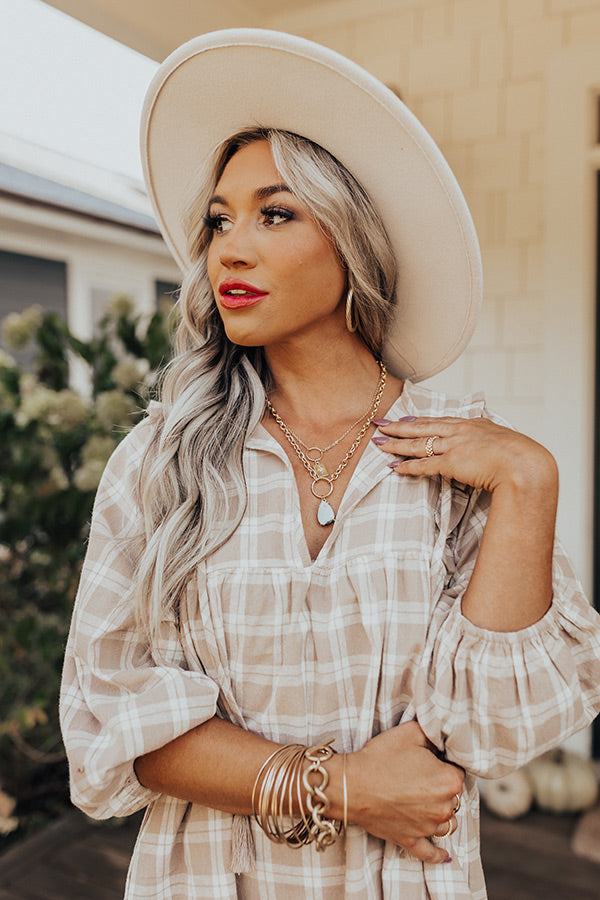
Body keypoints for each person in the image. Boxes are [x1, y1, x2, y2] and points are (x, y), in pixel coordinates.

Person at [60, 29, 600, 900]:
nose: (229, 249)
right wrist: (344, 788)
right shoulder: (163, 460)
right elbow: (117, 718)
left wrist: (531, 483)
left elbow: (492, 731)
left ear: (352, 237)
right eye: (219, 220)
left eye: (275, 214)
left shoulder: (461, 462)